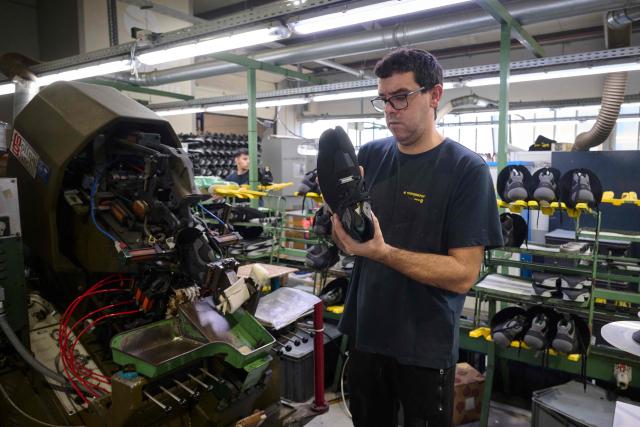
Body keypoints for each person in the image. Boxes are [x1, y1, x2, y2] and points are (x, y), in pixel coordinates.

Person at [331, 48, 503, 427]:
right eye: (384, 99)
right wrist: (342, 233)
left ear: (434, 95)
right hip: (366, 337)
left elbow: (462, 273)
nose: (391, 108)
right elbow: (355, 240)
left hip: (423, 350)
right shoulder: (371, 156)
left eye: (402, 96)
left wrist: (383, 252)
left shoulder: (466, 171)